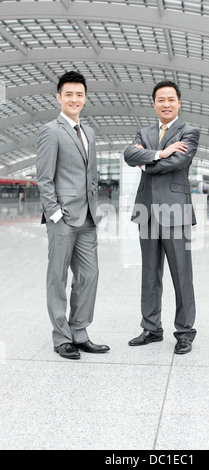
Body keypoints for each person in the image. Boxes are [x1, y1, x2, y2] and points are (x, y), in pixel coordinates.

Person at [36, 71, 109, 360]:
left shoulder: (88, 132)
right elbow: (44, 178)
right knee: (58, 277)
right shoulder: (50, 131)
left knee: (89, 276)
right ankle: (62, 337)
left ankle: (79, 331)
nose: (74, 99)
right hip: (63, 219)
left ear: (85, 98)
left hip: (88, 218)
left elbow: (90, 174)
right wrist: (55, 214)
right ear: (59, 97)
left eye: (79, 94)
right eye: (69, 94)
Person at [124, 81, 200, 355]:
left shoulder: (189, 131)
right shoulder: (143, 131)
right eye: (160, 99)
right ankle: (151, 328)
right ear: (154, 103)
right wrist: (160, 153)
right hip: (146, 211)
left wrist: (146, 163)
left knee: (181, 273)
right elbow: (128, 154)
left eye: (171, 99)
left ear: (179, 102)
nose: (166, 104)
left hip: (176, 211)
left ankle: (184, 331)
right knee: (149, 273)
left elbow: (178, 162)